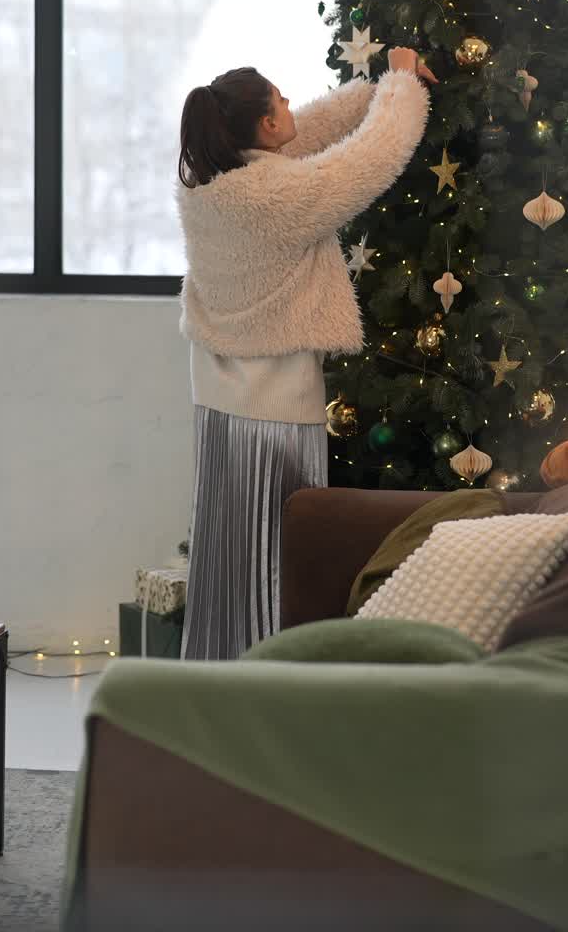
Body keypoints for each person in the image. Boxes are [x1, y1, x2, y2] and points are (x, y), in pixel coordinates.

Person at [176, 47, 434, 659]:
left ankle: (223, 662)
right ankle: (276, 669)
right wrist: (401, 85)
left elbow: (311, 132)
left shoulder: (209, 183)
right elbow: (368, 162)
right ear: (266, 125)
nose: (292, 104)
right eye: (281, 100)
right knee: (284, 548)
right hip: (275, 410)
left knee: (231, 550)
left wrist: (369, 91)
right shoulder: (276, 195)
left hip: (221, 402)